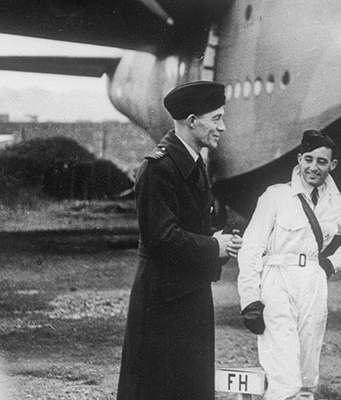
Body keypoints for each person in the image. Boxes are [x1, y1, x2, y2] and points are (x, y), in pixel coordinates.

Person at [117, 81, 242, 400]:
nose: (222, 127)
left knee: (189, 387)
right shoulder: (158, 169)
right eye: (216, 118)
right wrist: (214, 247)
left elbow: (187, 230)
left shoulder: (193, 164)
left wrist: (216, 241)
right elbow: (162, 238)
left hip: (187, 297)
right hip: (163, 304)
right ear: (191, 120)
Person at [236, 130, 341, 400]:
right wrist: (250, 298)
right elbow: (251, 248)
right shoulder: (276, 196)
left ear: (332, 166)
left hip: (313, 282)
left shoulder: (335, 203)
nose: (313, 167)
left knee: (307, 370)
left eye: (322, 162)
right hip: (277, 280)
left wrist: (333, 264)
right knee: (282, 370)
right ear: (299, 159)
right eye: (308, 159)